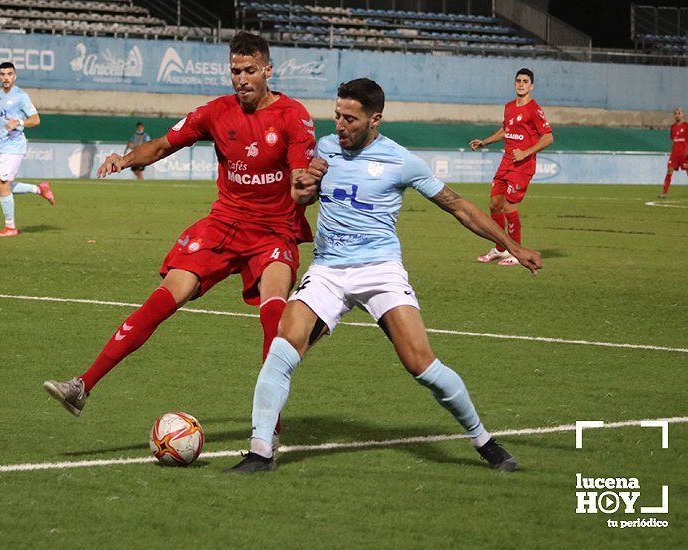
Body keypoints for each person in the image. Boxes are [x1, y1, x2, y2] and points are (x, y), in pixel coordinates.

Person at [228, 79, 543, 474]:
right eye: (337, 115)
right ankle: (260, 452)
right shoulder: (324, 149)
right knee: (282, 348)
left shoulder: (400, 160)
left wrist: (512, 245)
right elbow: (300, 196)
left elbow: (459, 207)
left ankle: (484, 441)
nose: (340, 125)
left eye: (351, 119)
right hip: (327, 269)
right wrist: (306, 184)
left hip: (380, 271)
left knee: (421, 364)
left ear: (375, 119)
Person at [43, 32, 316, 449]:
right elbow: (164, 145)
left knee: (273, 311)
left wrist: (303, 186)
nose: (240, 79)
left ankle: (269, 430)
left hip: (274, 231)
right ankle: (83, 385)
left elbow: (301, 171)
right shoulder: (215, 113)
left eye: (248, 71)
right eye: (234, 71)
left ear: (267, 71)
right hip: (224, 224)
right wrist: (125, 158)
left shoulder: (293, 116)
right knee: (166, 296)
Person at [469, 68, 553, 266]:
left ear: (531, 86)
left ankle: (517, 253)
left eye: (525, 81)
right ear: (514, 84)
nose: (521, 84)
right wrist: (485, 141)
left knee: (509, 207)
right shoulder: (509, 107)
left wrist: (525, 152)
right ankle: (500, 248)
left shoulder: (534, 109)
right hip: (506, 162)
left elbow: (549, 137)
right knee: (494, 204)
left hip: (523, 165)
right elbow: (506, 131)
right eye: (518, 81)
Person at [0, 61, 54, 237]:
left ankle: (10, 227)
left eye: (9, 74)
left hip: (14, 146)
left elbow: (36, 120)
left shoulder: (21, 96)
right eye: (3, 74)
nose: (6, 77)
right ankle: (40, 189)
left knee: (4, 186)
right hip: (1, 145)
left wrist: (19, 122)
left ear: (15, 76)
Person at [659, 107, 687, 198]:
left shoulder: (686, 126)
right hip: (674, 154)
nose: (677, 115)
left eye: (679, 113)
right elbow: (673, 139)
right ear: (673, 115)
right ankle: (664, 193)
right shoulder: (673, 127)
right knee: (669, 170)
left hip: (685, 154)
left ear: (682, 115)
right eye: (675, 113)